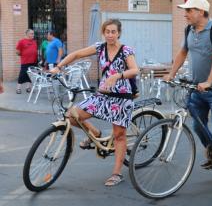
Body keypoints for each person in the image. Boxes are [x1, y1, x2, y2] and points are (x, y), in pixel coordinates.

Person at [49, 19, 139, 187]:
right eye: (107, 31)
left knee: (119, 135)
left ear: (119, 33)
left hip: (121, 97)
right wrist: (58, 67)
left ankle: (116, 173)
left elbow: (135, 70)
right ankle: (95, 132)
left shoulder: (126, 51)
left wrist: (117, 76)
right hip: (103, 95)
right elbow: (75, 54)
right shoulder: (100, 47)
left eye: (113, 31)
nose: (110, 34)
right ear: (103, 33)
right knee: (71, 115)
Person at [164, 0, 212, 192]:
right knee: (197, 126)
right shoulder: (189, 29)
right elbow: (182, 52)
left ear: (200, 12)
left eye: (189, 11)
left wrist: (210, 81)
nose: (185, 14)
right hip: (198, 88)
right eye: (185, 11)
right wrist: (171, 74)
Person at [15, 29, 38, 94]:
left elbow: (35, 50)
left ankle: (28, 88)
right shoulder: (21, 41)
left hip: (33, 61)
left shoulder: (34, 42)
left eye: (33, 33)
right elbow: (17, 52)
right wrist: (24, 55)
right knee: (22, 75)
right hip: (25, 61)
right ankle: (18, 88)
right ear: (27, 34)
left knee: (31, 75)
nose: (33, 35)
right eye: (31, 33)